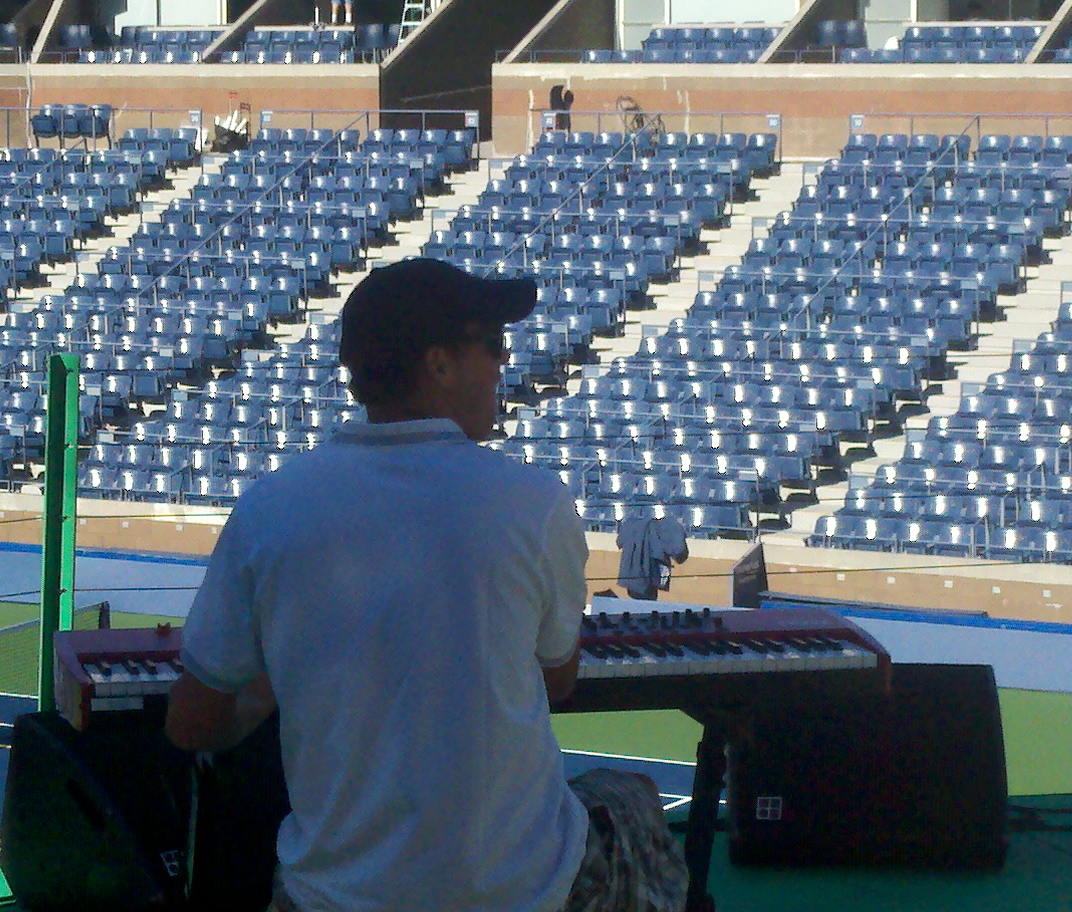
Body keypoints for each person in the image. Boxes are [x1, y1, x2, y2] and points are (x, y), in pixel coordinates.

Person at [166, 258, 687, 912]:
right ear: (439, 364)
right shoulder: (535, 503)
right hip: (519, 893)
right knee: (632, 797)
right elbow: (556, 681)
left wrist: (281, 678)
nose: (503, 365)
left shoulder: (269, 508)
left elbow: (192, 724)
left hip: (331, 899)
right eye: (493, 345)